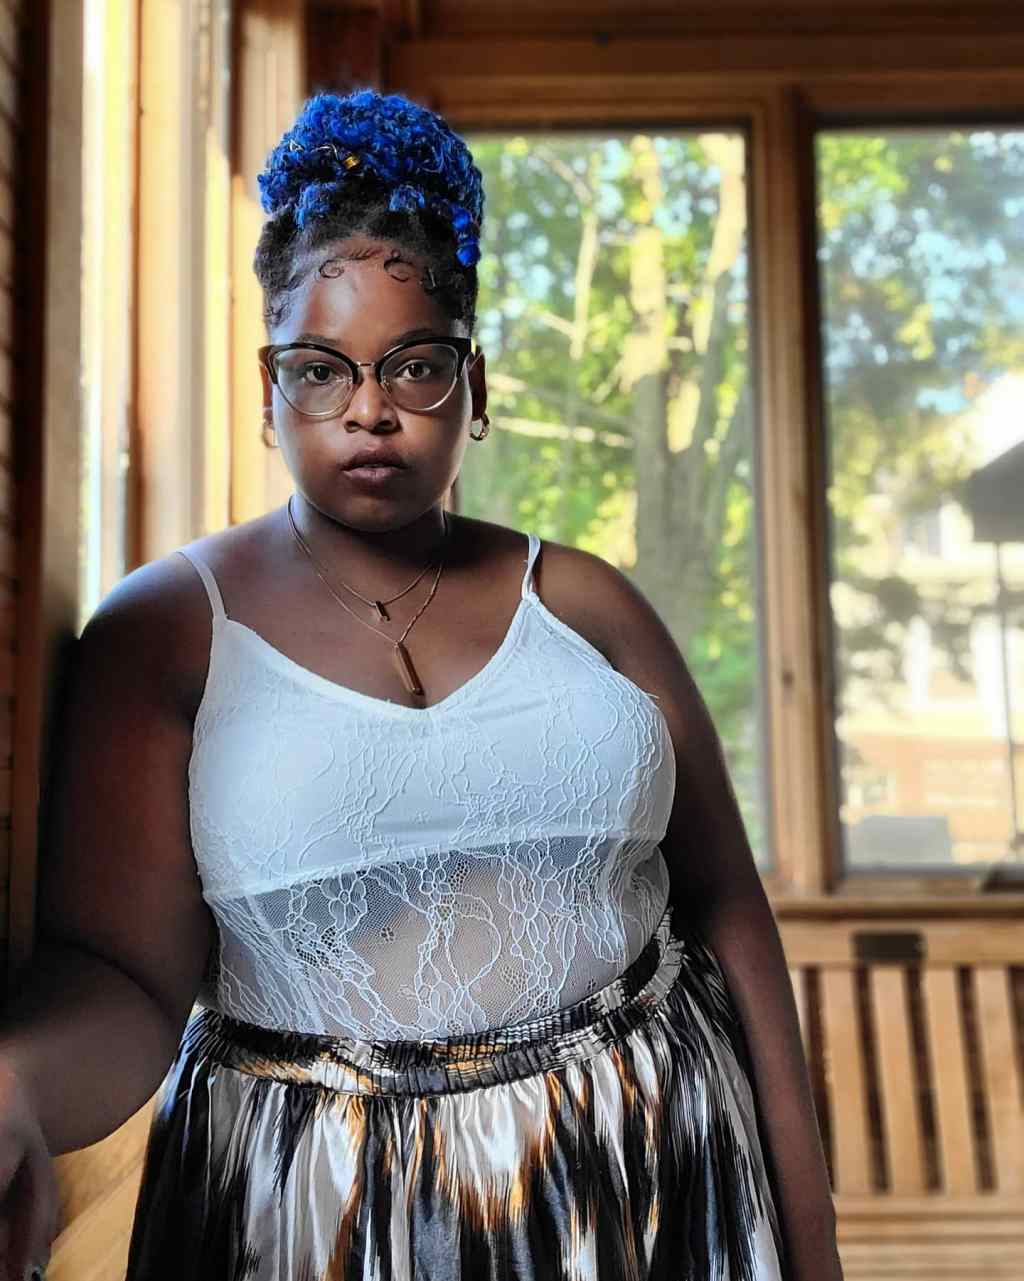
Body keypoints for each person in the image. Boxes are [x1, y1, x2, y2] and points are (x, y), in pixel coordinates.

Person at [0, 90, 842, 1281]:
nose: (369, 410)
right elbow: (125, 979)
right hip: (319, 1213)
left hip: (654, 1172)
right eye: (319, 370)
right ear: (267, 390)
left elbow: (729, 915)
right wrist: (16, 1085)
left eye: (415, 366)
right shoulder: (164, 633)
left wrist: (809, 1232)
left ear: (475, 386)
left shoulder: (589, 605)